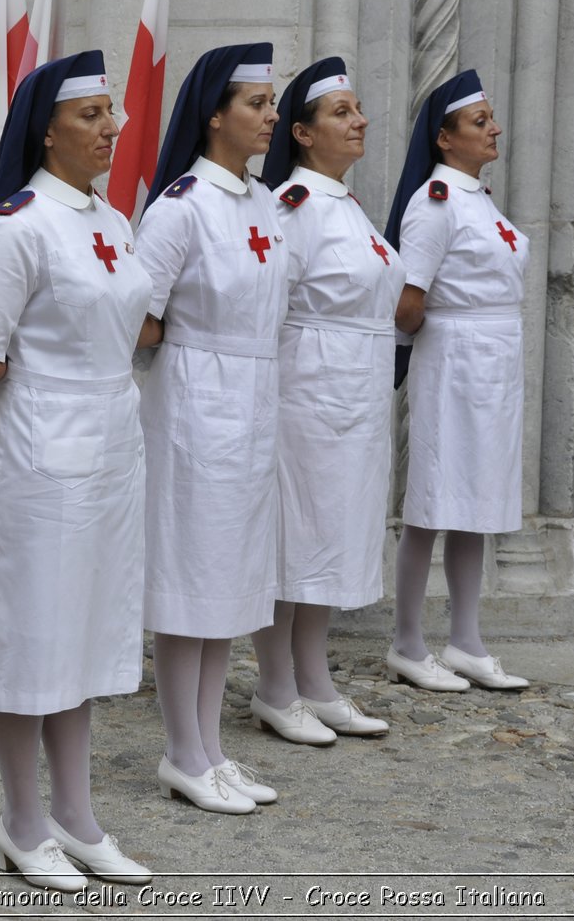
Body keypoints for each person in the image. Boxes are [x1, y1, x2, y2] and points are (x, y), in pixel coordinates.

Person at [0, 50, 156, 891]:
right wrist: (49, 385)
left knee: (89, 628)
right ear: (46, 129)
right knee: (33, 633)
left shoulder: (112, 221)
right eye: (91, 115)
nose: (112, 128)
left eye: (112, 114)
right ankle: (22, 817)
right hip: (40, 448)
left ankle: (77, 812)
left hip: (110, 444)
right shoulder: (19, 226)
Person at [133, 42, 286, 814]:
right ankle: (182, 750)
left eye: (272, 102)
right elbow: (138, 316)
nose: (272, 116)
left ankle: (214, 750)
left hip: (254, 402)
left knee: (231, 575)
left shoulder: (263, 203)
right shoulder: (180, 206)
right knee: (190, 575)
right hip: (196, 400)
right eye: (257, 104)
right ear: (215, 113)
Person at [250, 56, 398, 745]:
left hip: (354, 389)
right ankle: (275, 686)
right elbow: (269, 305)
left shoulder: (345, 204)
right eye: (342, 112)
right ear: (303, 133)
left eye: (357, 108)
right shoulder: (294, 208)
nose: (360, 120)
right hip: (307, 387)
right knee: (295, 536)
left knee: (333, 534)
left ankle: (315, 680)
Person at [382, 68, 531, 693]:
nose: (494, 128)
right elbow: (408, 299)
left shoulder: (479, 198)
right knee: (435, 499)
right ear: (445, 138)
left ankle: (466, 639)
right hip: (455, 356)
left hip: (495, 359)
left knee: (479, 501)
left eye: (491, 119)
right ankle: (408, 641)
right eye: (479, 121)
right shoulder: (435, 202)